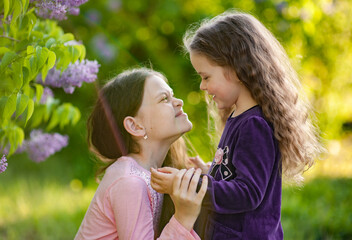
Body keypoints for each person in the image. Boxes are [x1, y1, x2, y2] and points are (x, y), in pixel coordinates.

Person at [151, 11, 324, 239]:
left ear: (235, 70)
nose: (202, 86)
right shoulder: (239, 118)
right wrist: (209, 172)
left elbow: (247, 192)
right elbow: (238, 175)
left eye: (206, 77)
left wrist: (193, 185)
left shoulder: (254, 125)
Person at [75, 68, 208, 240]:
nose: (179, 102)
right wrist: (183, 218)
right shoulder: (130, 182)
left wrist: (209, 178)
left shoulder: (153, 173)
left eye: (172, 95)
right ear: (135, 126)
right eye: (164, 99)